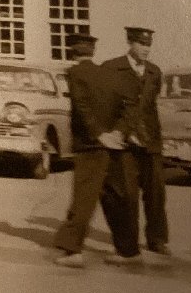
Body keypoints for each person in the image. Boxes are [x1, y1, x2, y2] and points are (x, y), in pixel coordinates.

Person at [51, 34, 136, 268]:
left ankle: (73, 251)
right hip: (112, 145)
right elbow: (127, 105)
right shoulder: (107, 73)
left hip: (91, 145)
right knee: (113, 198)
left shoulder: (75, 73)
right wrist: (118, 133)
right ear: (92, 52)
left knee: (84, 198)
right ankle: (128, 250)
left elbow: (81, 107)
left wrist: (99, 135)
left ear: (72, 52)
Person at [102, 26, 170, 263]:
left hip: (150, 141)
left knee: (155, 193)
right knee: (127, 195)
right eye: (141, 44)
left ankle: (157, 239)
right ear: (130, 43)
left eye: (149, 45)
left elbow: (150, 107)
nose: (146, 50)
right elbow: (104, 103)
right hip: (125, 143)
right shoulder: (112, 68)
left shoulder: (154, 72)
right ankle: (129, 245)